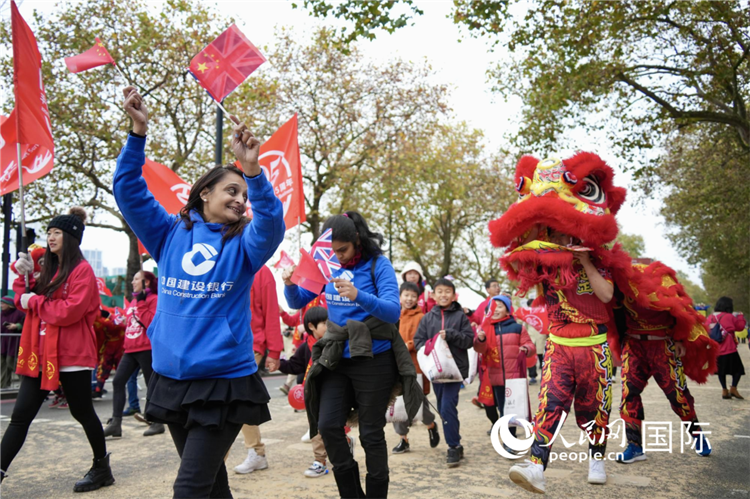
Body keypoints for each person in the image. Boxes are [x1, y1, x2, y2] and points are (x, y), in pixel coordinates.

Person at [113, 86, 284, 498]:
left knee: (189, 488)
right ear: (204, 193)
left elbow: (271, 226)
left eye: (243, 196)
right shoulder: (168, 233)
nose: (241, 201)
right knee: (211, 486)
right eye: (231, 191)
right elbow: (128, 191)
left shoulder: (244, 246)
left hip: (222, 381)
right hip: (170, 378)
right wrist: (138, 133)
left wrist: (252, 173)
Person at [283, 211, 421, 499]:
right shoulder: (326, 264)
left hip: (374, 359)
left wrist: (358, 294)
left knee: (371, 433)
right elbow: (297, 302)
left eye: (343, 250)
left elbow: (393, 310)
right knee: (327, 425)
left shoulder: (377, 265)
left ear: (357, 240)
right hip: (337, 358)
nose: (339, 257)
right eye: (333, 251)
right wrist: (289, 282)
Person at [1, 207, 114, 491]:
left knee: (82, 411)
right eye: (49, 232)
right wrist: (20, 275)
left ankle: (102, 467)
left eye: (57, 233)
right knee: (20, 416)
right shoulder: (45, 266)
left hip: (72, 352)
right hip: (41, 351)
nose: (51, 238)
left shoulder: (82, 270)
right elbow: (20, 297)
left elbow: (69, 311)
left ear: (71, 238)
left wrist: (33, 301)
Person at [509, 248, 615, 492]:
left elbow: (607, 295)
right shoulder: (544, 264)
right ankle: (536, 466)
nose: (560, 241)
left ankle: (596, 459)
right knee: (550, 404)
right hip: (558, 348)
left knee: (596, 408)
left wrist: (587, 261)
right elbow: (516, 267)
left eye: (564, 235)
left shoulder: (598, 260)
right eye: (553, 235)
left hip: (594, 348)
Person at [615, 286, 713, 464]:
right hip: (634, 346)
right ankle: (635, 445)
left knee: (678, 396)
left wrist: (679, 339)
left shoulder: (665, 285)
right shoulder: (621, 284)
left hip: (663, 346)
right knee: (629, 394)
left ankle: (697, 435)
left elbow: (681, 312)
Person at [413, 278, 474, 468]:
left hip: (455, 371)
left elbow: (469, 341)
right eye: (439, 291)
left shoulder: (460, 316)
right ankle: (456, 442)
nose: (443, 295)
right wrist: (432, 346)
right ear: (433, 295)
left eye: (447, 291)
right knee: (444, 409)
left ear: (454, 295)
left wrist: (451, 335)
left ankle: (453, 447)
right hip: (436, 372)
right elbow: (418, 341)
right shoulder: (427, 318)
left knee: (447, 406)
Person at [233, 265, 283, 474]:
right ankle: (254, 453)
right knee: (227, 400)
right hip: (224, 344)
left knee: (237, 399)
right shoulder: (224, 263)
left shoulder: (262, 272)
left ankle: (256, 452)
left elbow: (271, 312)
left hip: (251, 345)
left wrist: (275, 351)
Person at [103, 271, 163, 438]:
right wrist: (113, 318)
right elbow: (128, 323)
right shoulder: (134, 301)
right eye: (133, 278)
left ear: (147, 283)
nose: (132, 282)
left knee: (151, 384)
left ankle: (157, 422)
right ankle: (116, 423)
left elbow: (149, 323)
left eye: (137, 279)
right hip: (130, 349)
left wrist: (143, 303)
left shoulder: (154, 300)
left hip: (146, 348)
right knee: (118, 381)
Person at [474, 295, 535, 455]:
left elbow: (530, 346)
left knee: (512, 411)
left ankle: (511, 441)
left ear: (508, 309)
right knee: (502, 409)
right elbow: (480, 350)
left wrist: (526, 349)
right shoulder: (486, 329)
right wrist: (479, 340)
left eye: (499, 306)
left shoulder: (517, 328)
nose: (495, 309)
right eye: (492, 307)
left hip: (514, 378)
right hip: (495, 379)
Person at [391, 282, 440, 454]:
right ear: (400, 296)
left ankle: (431, 425)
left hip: (415, 366)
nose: (409, 298)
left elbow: (425, 339)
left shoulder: (422, 317)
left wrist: (408, 345)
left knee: (418, 403)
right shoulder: (393, 315)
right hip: (396, 366)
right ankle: (403, 439)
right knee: (397, 402)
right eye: (406, 295)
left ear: (418, 298)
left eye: (413, 296)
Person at [707, 297, 747, 400]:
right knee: (738, 370)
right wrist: (741, 316)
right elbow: (740, 327)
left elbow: (706, 330)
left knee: (721, 371)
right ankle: (733, 388)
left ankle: (724, 390)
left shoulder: (710, 317)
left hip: (716, 349)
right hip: (730, 348)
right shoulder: (729, 316)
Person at [1, 296, 24, 388]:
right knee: (3, 365)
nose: (1, 305)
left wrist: (17, 326)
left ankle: (26, 383)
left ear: (9, 305)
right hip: (3, 343)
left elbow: (25, 323)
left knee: (11, 362)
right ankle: (3, 386)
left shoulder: (20, 313)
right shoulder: (2, 314)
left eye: (3, 303)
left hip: (14, 343)